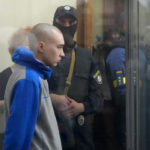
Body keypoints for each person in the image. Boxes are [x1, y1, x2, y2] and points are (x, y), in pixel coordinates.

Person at [49, 5, 104, 150]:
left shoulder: (87, 58)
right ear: (54, 23)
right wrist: (51, 98)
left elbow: (99, 96)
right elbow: (30, 92)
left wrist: (81, 107)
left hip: (80, 133)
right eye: (62, 21)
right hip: (51, 131)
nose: (66, 25)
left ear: (76, 25)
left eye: (71, 22)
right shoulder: (44, 55)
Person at [3, 23, 64, 150]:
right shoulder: (28, 79)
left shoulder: (37, 74)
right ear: (41, 46)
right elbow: (17, 136)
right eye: (59, 47)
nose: (62, 54)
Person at [0, 28, 31, 149]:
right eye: (27, 45)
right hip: (9, 135)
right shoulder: (4, 76)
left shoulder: (39, 75)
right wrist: (11, 101)